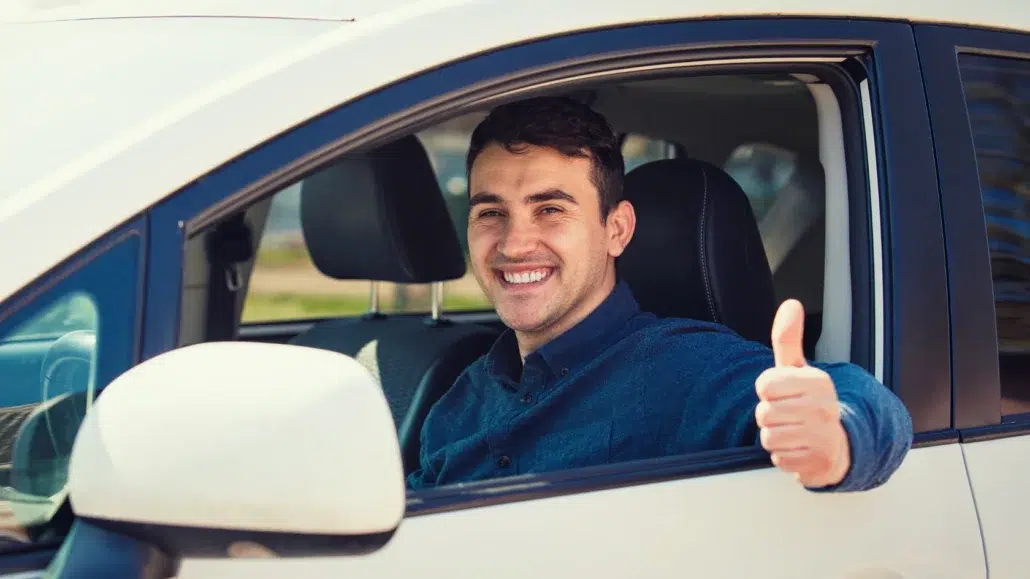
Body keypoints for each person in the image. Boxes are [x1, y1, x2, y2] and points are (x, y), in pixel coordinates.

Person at [405, 96, 913, 492]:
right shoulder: (460, 400)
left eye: (551, 210)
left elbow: (863, 402)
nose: (514, 244)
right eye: (491, 213)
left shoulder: (681, 370)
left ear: (617, 230)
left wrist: (838, 433)